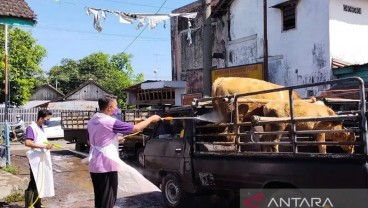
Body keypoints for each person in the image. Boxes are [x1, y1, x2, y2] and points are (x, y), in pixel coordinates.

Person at [87, 95, 161, 208]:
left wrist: (115, 139)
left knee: (100, 197)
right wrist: (151, 119)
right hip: (106, 165)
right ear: (110, 107)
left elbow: (91, 141)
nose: (117, 108)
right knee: (108, 199)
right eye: (116, 106)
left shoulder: (92, 121)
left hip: (94, 165)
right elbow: (135, 129)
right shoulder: (109, 121)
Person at [24, 110, 54, 208]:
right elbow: (28, 142)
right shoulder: (31, 128)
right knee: (34, 181)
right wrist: (44, 146)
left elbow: (40, 141)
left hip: (40, 159)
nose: (48, 121)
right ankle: (29, 205)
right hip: (34, 160)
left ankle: (37, 203)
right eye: (47, 119)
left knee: (39, 180)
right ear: (40, 118)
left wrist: (47, 145)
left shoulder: (41, 128)